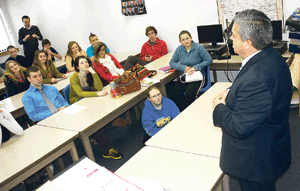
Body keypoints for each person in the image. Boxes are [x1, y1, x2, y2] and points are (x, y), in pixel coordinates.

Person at [212, 9, 292, 191]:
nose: (230, 38)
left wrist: (219, 107)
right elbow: (254, 86)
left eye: (233, 35)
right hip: (270, 144)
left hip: (255, 161)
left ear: (248, 43)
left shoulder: (256, 80)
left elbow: (238, 127)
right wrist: (231, 93)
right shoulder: (271, 57)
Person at [69, 56, 123, 159]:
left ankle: (98, 134)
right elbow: (80, 93)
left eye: (86, 62)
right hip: (78, 103)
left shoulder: (90, 74)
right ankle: (102, 142)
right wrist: (97, 93)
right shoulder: (74, 77)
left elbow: (99, 87)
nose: (85, 64)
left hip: (90, 99)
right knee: (94, 116)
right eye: (82, 63)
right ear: (77, 67)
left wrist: (94, 73)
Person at [169, 30, 212, 111]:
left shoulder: (199, 48)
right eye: (183, 40)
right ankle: (183, 111)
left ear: (191, 38)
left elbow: (209, 60)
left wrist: (194, 67)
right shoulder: (179, 49)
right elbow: (172, 63)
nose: (186, 41)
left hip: (198, 77)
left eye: (187, 38)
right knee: (174, 93)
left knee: (189, 94)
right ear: (180, 41)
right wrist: (184, 68)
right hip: (186, 76)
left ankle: (191, 111)